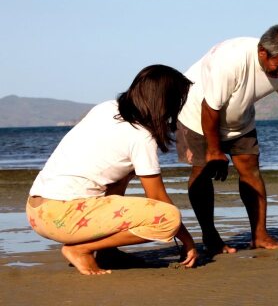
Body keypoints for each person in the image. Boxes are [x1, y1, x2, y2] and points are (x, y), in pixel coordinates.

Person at [177, 23, 278, 254]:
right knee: (202, 170)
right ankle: (210, 235)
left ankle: (260, 235)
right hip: (196, 114)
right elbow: (210, 108)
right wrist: (214, 151)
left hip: (239, 118)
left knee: (250, 169)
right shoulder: (232, 60)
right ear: (262, 51)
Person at [26, 65, 198, 275]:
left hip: (36, 211)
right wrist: (188, 241)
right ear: (165, 102)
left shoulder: (106, 107)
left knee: (126, 170)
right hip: (63, 216)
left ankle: (108, 252)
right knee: (169, 218)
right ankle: (80, 249)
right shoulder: (141, 136)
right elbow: (157, 198)